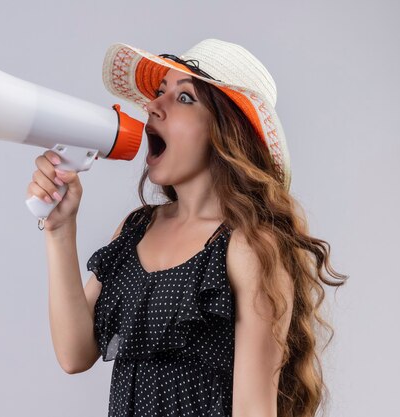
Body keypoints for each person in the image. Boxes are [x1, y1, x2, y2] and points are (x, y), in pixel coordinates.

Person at [27, 39, 348, 417]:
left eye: (184, 98)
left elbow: (253, 410)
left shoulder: (246, 248)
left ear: (226, 132)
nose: (153, 106)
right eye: (160, 92)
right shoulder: (136, 229)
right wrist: (60, 230)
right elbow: (74, 353)